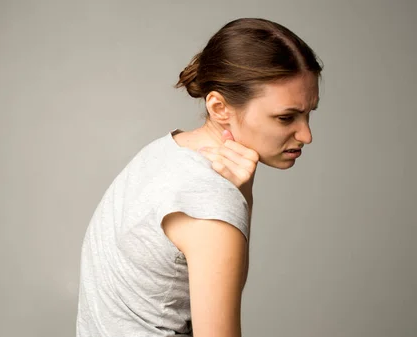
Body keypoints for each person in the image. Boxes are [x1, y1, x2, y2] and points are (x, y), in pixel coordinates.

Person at [76, 17, 322, 337]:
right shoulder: (212, 205)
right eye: (286, 117)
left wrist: (243, 194)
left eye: (309, 113)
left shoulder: (165, 152)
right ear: (219, 107)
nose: (306, 134)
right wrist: (235, 201)